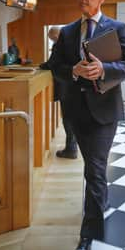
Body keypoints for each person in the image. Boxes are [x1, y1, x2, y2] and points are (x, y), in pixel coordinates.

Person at [48, 0, 125, 250]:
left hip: (104, 113)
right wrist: (73, 70)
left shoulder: (117, 28)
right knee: (93, 168)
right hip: (76, 112)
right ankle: (102, 199)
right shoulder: (68, 32)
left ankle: (86, 239)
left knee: (95, 170)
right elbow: (54, 66)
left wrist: (104, 69)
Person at [40, 27, 78, 159]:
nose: (52, 40)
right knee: (71, 117)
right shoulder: (72, 43)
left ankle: (71, 148)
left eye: (52, 38)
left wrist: (40, 66)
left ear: (57, 35)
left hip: (65, 86)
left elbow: (52, 64)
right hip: (73, 85)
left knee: (68, 118)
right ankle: (73, 147)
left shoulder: (60, 45)